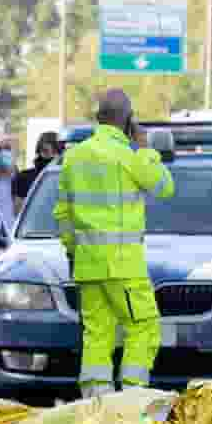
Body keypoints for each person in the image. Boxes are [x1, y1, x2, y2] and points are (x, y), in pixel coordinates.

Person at [53, 89, 175, 399]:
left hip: (87, 265)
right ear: (128, 120)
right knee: (143, 326)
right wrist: (146, 147)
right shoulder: (130, 156)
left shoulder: (74, 157)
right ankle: (133, 398)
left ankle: (97, 404)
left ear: (99, 117)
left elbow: (63, 214)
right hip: (124, 267)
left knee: (97, 334)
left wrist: (73, 251)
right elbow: (163, 187)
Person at [14, 131, 60, 214]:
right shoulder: (24, 177)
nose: (51, 156)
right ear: (38, 151)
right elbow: (18, 211)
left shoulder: (66, 176)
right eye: (45, 151)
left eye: (55, 151)